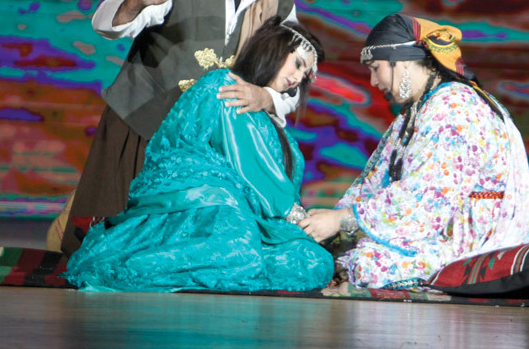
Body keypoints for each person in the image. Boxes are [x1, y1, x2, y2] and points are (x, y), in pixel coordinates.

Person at [48, 0, 299, 255]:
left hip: (208, 145)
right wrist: (139, 2)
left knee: (179, 251)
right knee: (111, 245)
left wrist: (265, 96)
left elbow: (293, 81)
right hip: (145, 124)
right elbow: (105, 23)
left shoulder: (280, 0)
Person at [62, 18, 333, 292]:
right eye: (298, 63)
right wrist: (294, 216)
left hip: (259, 219)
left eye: (305, 74)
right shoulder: (224, 85)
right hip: (208, 204)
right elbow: (241, 162)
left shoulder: (271, 120)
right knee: (237, 244)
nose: (298, 78)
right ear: (274, 49)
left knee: (314, 261)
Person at [299, 14, 529, 289]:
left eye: (376, 68)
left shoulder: (454, 107)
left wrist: (342, 220)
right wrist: (332, 223)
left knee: (369, 262)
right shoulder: (419, 109)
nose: (373, 81)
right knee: (335, 250)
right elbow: (374, 182)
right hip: (436, 230)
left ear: (400, 62)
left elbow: (424, 201)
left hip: (474, 242)